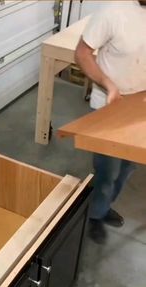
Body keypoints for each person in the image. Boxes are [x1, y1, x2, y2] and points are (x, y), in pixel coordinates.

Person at [75, 0, 146, 244]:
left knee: (129, 166)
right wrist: (108, 84)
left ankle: (102, 206)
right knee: (108, 170)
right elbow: (82, 53)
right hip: (109, 103)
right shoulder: (113, 11)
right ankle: (94, 215)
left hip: (139, 106)